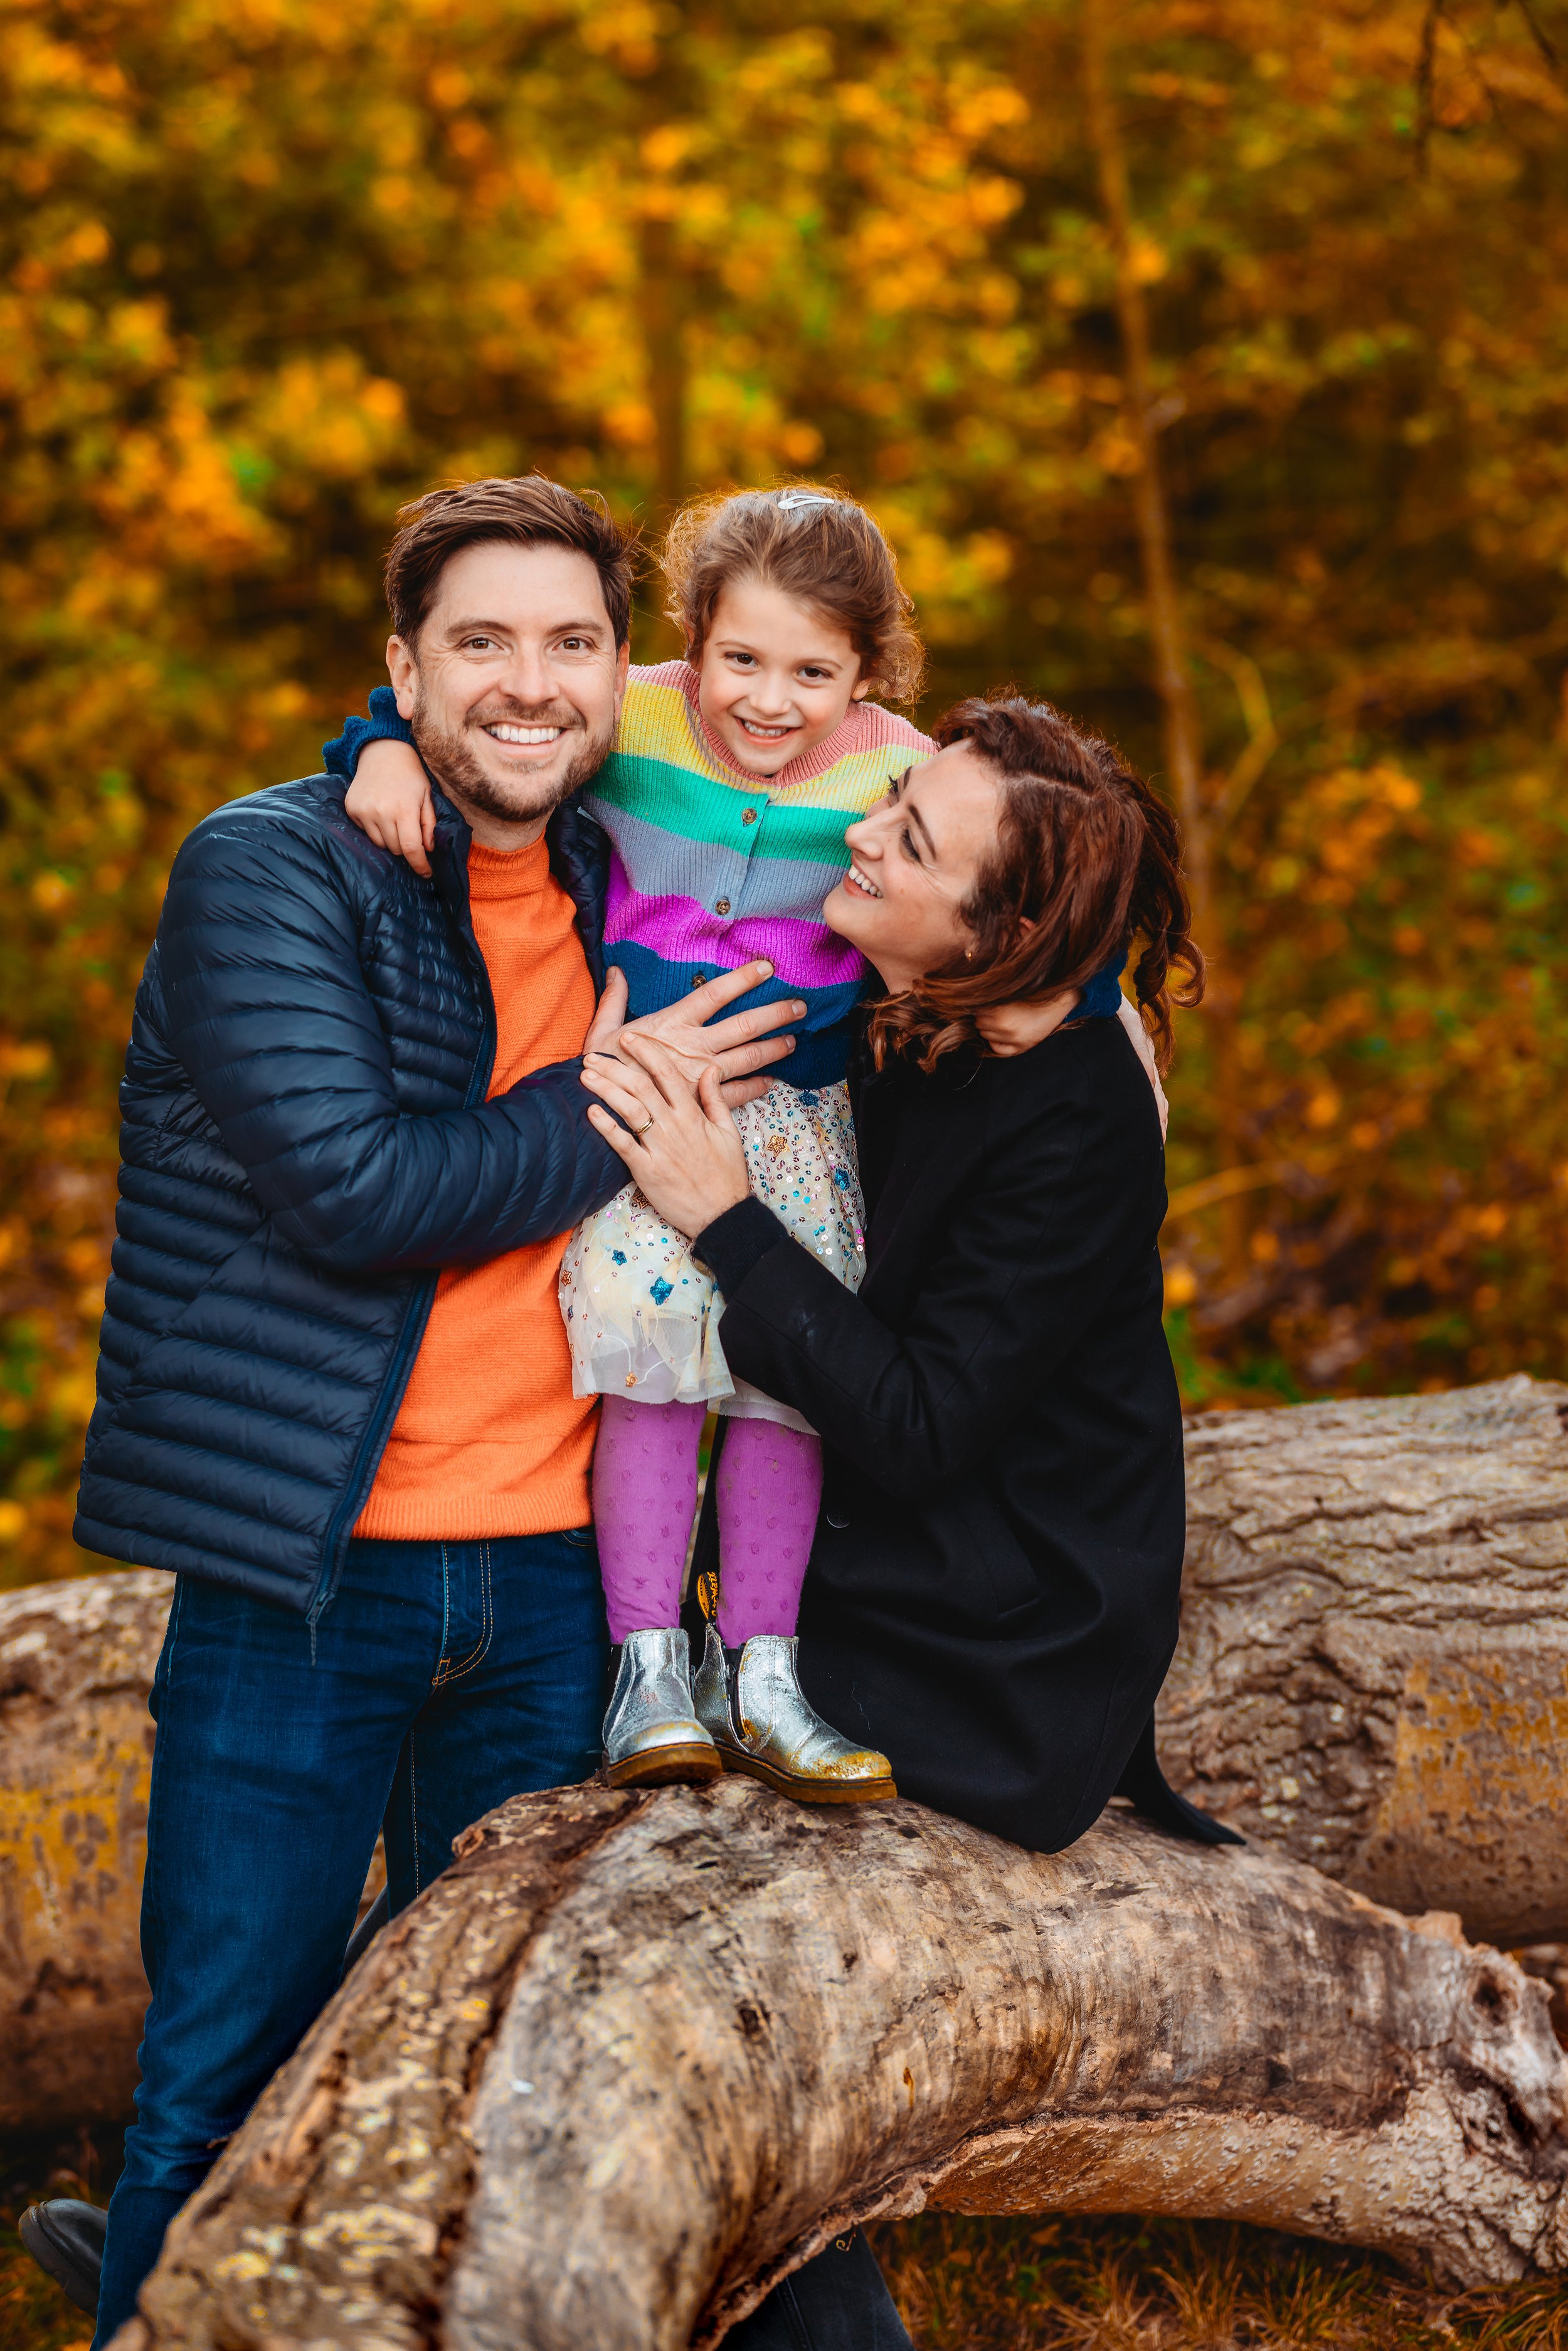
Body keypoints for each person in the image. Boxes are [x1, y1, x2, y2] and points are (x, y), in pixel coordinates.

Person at [50, 475, 801, 2347]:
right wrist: (624, 1093)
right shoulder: (272, 867)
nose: (526, 683)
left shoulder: (637, 858)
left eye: (569, 643)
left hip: (562, 1584)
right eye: (475, 644)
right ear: (402, 667)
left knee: (519, 2070)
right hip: (309, 1578)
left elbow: (891, 765)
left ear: (628, 675)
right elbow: (362, 1190)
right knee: (222, 2070)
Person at [331, 486, 1132, 1805]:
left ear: (866, 673)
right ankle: (646, 1659)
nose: (768, 700)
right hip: (644, 1113)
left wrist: (1104, 1015)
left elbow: (1025, 880)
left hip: (801, 1126)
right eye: (740, 660)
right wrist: (380, 747)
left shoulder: (891, 765)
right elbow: (499, 713)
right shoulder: (634, 712)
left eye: (812, 671)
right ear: (689, 642)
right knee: (649, 1371)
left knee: (783, 1383)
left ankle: (765, 1665)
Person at [580, 693, 1247, 1860]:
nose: (860, 833)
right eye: (894, 798)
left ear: (1003, 935)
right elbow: (682, 699)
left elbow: (921, 1425)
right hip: (851, 1563)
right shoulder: (916, 1003)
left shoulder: (1079, 1121)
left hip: (995, 1649)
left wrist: (725, 1220)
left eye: (912, 842)